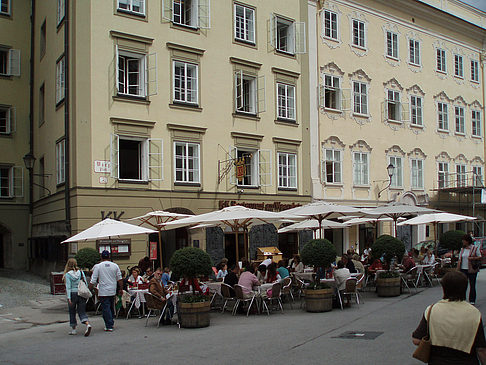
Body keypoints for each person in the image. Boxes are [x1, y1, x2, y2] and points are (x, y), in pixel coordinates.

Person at [412, 271, 486, 364]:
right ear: (465, 288)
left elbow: (416, 340)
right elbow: (481, 349)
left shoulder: (432, 310)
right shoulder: (473, 313)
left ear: (444, 288)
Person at [89, 250, 123, 332]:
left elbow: (93, 279)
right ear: (109, 256)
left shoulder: (98, 266)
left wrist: (89, 288)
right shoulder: (115, 266)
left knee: (105, 307)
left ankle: (109, 325)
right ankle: (111, 320)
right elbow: (119, 278)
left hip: (103, 290)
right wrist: (121, 288)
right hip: (112, 289)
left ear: (101, 257)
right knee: (111, 306)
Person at [63, 258, 91, 336]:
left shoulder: (68, 274)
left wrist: (69, 297)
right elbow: (85, 282)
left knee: (72, 311)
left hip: (72, 293)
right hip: (81, 293)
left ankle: (73, 329)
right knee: (82, 311)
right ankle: (87, 323)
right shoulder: (81, 272)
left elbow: (68, 287)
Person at [457, 234, 482, 305]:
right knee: (463, 284)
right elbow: (459, 259)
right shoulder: (462, 249)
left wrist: (472, 258)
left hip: (472, 269)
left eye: (464, 240)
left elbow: (479, 256)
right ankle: (462, 299)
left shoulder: (474, 248)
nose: (462, 241)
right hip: (463, 269)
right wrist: (458, 268)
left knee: (472, 284)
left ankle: (472, 300)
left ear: (467, 241)